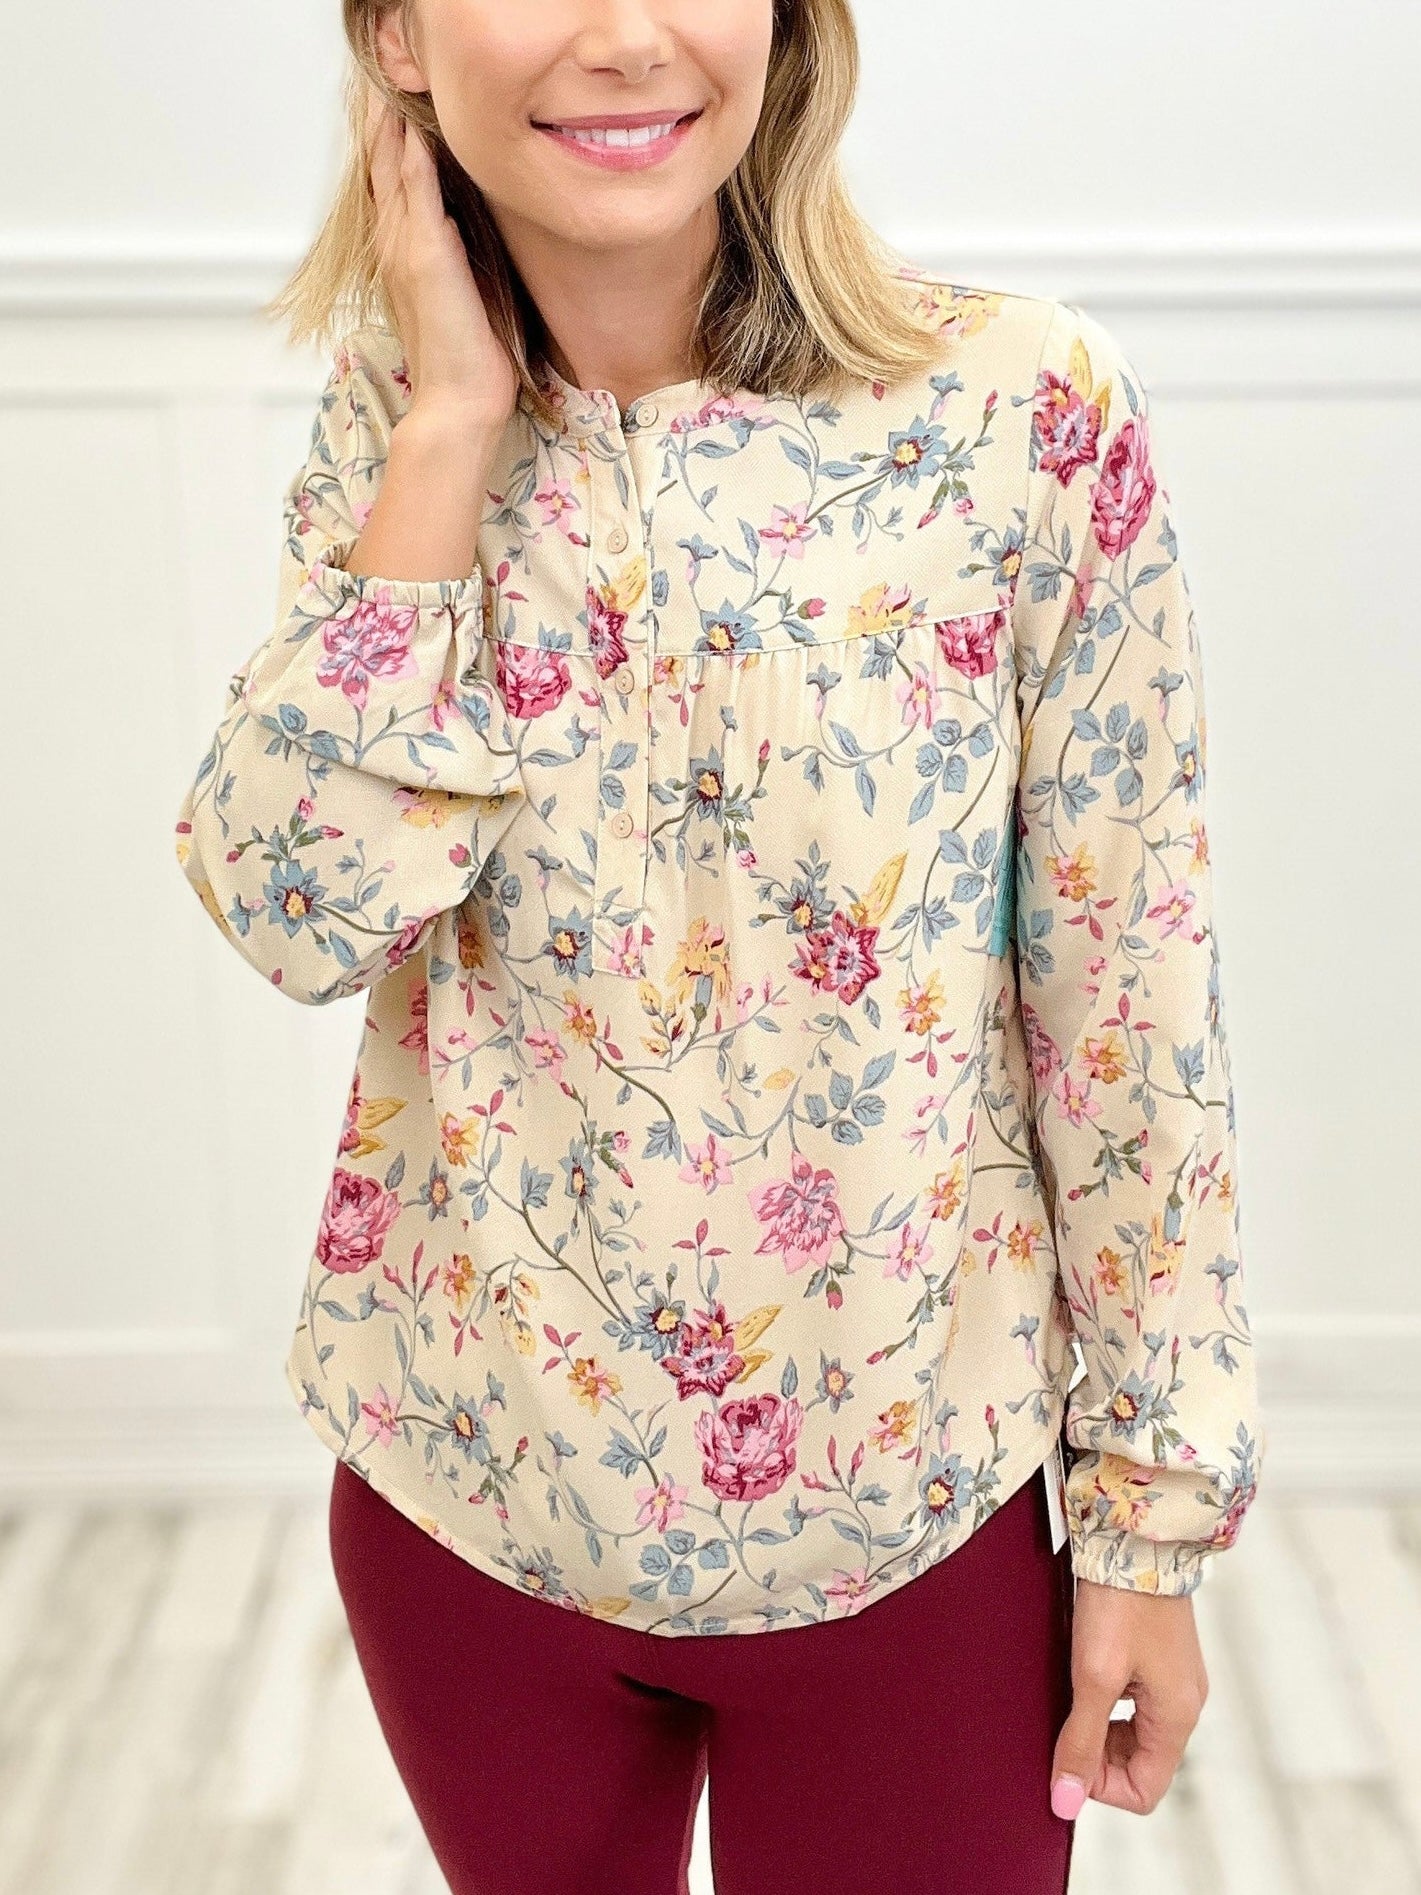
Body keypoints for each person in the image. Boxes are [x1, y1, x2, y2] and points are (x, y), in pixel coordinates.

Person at [172, 2, 1265, 1890]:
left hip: (916, 1527)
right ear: (397, 35)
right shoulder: (396, 423)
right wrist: (450, 426)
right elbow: (294, 912)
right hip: (468, 1492)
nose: (624, 36)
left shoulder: (1017, 410)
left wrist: (1144, 1531)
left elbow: (1127, 996)